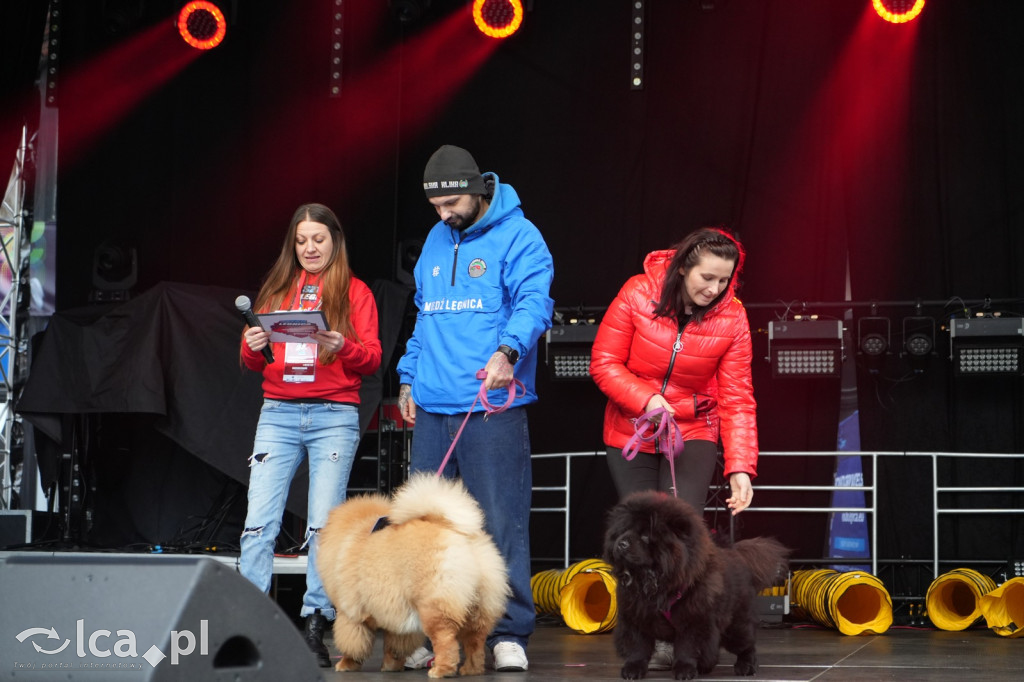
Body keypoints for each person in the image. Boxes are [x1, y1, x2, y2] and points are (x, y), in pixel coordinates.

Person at [396, 145, 554, 673]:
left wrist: (507, 351)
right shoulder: (437, 241)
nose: (444, 214)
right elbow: (425, 316)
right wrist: (407, 379)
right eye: (436, 206)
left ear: (479, 188)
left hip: (491, 407)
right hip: (435, 408)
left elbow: (534, 303)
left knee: (500, 523)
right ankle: (435, 632)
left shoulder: (520, 235)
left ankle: (510, 632)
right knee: (429, 528)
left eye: (453, 202)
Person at [589, 226, 757, 670]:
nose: (714, 289)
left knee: (680, 533)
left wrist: (740, 466)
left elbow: (737, 396)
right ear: (683, 267)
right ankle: (647, 633)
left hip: (695, 428)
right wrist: (647, 399)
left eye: (724, 281)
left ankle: (685, 631)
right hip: (632, 427)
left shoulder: (733, 316)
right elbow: (604, 363)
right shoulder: (637, 292)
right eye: (706, 278)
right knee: (637, 538)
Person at [238, 202, 382, 668]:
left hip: (334, 414)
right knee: (258, 523)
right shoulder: (278, 289)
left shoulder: (354, 292)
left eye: (317, 239)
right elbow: (253, 360)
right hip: (277, 413)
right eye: (301, 241)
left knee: (323, 524)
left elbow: (374, 359)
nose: (309, 248)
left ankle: (315, 623)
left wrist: (346, 347)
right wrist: (251, 345)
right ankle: (250, 624)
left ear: (334, 241)